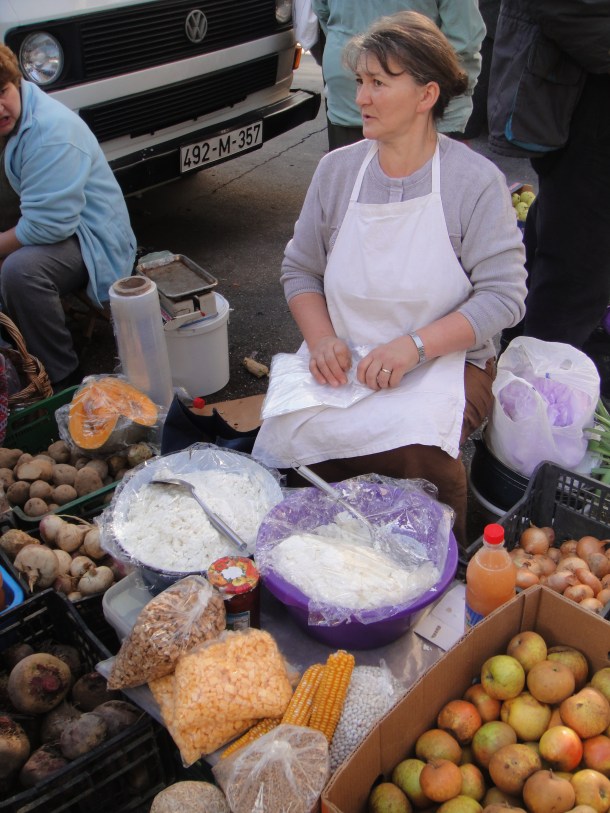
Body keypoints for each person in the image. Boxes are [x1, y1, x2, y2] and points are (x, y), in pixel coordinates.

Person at [252, 11, 527, 545]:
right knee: (290, 436)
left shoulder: (473, 182)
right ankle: (324, 556)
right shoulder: (337, 172)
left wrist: (415, 346)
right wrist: (323, 339)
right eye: (360, 81)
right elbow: (300, 268)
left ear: (426, 95)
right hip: (348, 360)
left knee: (419, 455)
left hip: (445, 365)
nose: (363, 98)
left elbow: (505, 296)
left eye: (380, 83)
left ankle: (433, 565)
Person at [488, 1, 610, 395]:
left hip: (582, 115)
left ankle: (520, 386)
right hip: (588, 120)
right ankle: (529, 414)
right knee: (573, 277)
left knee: (556, 255)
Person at [0, 45, 137, 391]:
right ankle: (11, 355)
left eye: (2, 92)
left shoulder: (50, 133)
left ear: (15, 81)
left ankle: (63, 377)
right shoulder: (12, 119)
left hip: (90, 236)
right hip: (52, 221)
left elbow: (48, 225)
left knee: (20, 272)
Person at [311, 1, 485, 150]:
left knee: (350, 180)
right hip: (420, 103)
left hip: (349, 90)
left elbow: (322, 11)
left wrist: (353, 53)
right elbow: (465, 38)